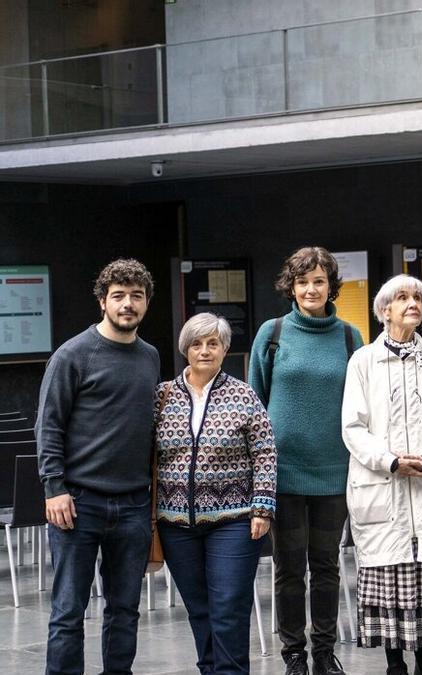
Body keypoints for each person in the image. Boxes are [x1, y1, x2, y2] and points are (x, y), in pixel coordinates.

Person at [36, 258, 160, 675]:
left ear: (146, 303)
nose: (128, 304)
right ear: (103, 301)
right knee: (69, 613)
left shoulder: (150, 357)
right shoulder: (72, 354)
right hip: (78, 504)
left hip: (132, 506)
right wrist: (54, 487)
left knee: (125, 611)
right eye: (119, 296)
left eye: (136, 296)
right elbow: (48, 424)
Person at [249, 246, 364, 675]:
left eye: (319, 281)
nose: (311, 289)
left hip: (334, 472)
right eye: (303, 282)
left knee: (328, 566)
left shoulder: (351, 337)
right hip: (283, 474)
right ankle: (293, 653)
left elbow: (363, 405)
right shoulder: (272, 333)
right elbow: (255, 404)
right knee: (289, 568)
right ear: (291, 287)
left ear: (331, 286)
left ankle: (323, 651)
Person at [342, 275, 422, 675]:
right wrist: (389, 460)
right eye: (402, 298)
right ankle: (395, 662)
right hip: (382, 484)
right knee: (388, 570)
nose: (412, 303)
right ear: (384, 311)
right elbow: (352, 427)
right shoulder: (362, 361)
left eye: (417, 297)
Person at [155, 312, 277, 675]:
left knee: (229, 607)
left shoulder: (243, 395)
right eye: (197, 343)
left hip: (235, 522)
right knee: (199, 609)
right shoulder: (161, 397)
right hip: (175, 523)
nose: (205, 350)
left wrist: (263, 506)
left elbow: (266, 452)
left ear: (225, 349)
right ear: (185, 349)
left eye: (213, 343)